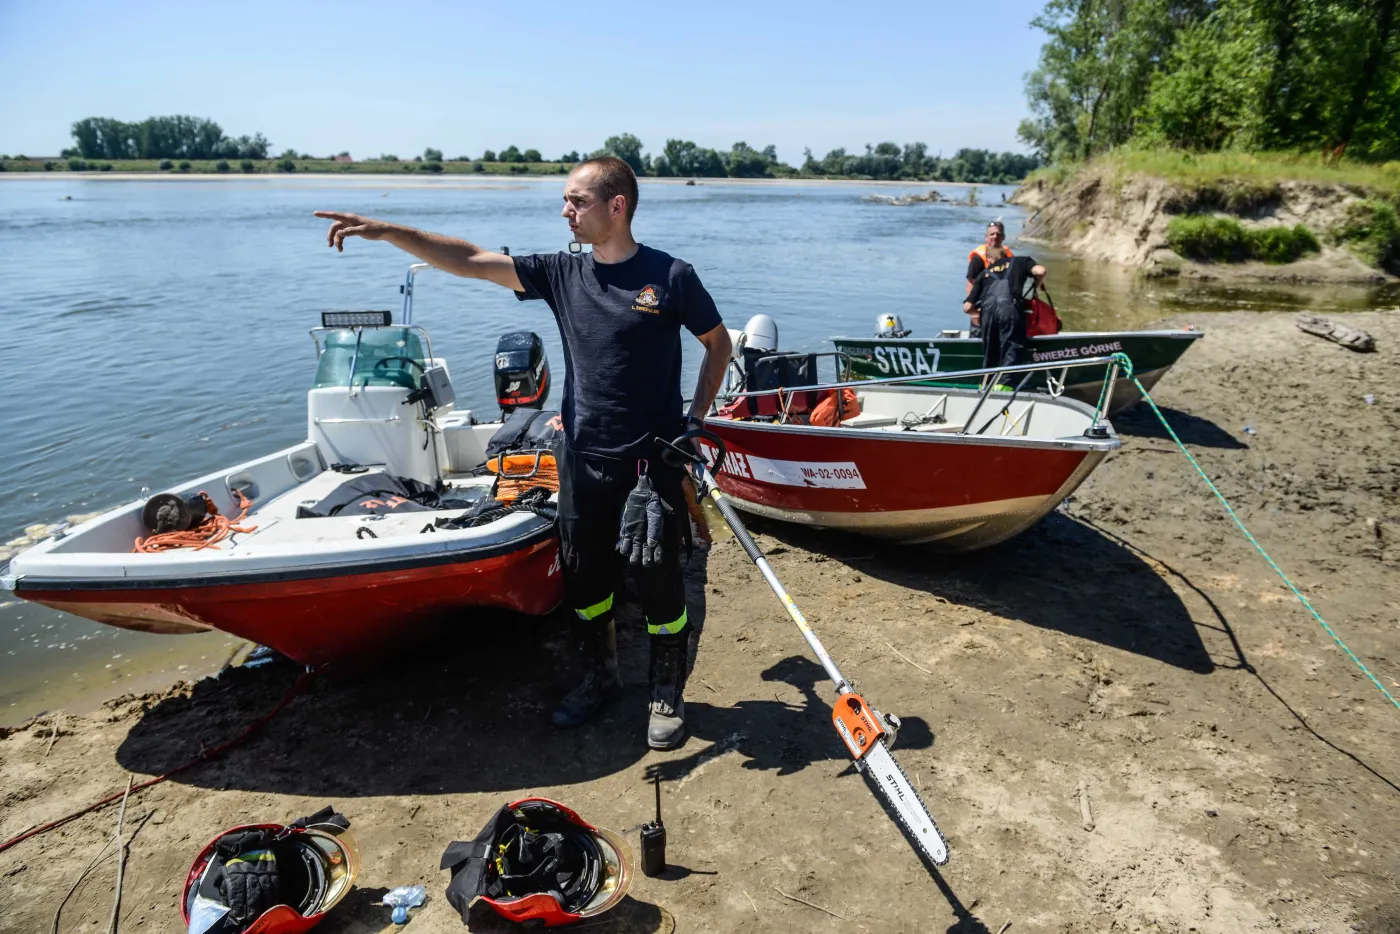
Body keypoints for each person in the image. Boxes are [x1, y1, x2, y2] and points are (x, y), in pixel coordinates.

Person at [314, 157, 732, 750]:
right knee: (587, 586)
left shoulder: (671, 276)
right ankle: (601, 677)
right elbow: (472, 261)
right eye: (566, 200)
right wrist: (387, 231)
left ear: (617, 206)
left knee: (662, 586)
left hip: (652, 465)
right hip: (583, 461)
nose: (566, 211)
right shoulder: (562, 274)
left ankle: (666, 691)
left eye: (577, 201)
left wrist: (695, 419)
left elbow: (717, 345)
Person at [963, 252, 1047, 372]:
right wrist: (1036, 285)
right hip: (1009, 309)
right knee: (1012, 348)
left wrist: (976, 314)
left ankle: (987, 385)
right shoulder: (1020, 261)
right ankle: (1005, 387)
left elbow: (967, 307)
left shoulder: (984, 274)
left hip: (987, 313)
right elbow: (1041, 271)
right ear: (1006, 256)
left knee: (990, 352)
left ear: (989, 260)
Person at [965, 220, 1013, 297]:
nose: (995, 236)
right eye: (992, 234)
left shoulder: (1008, 255)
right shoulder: (978, 257)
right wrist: (971, 303)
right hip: (984, 298)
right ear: (986, 237)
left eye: (998, 234)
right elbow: (970, 281)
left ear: (1004, 237)